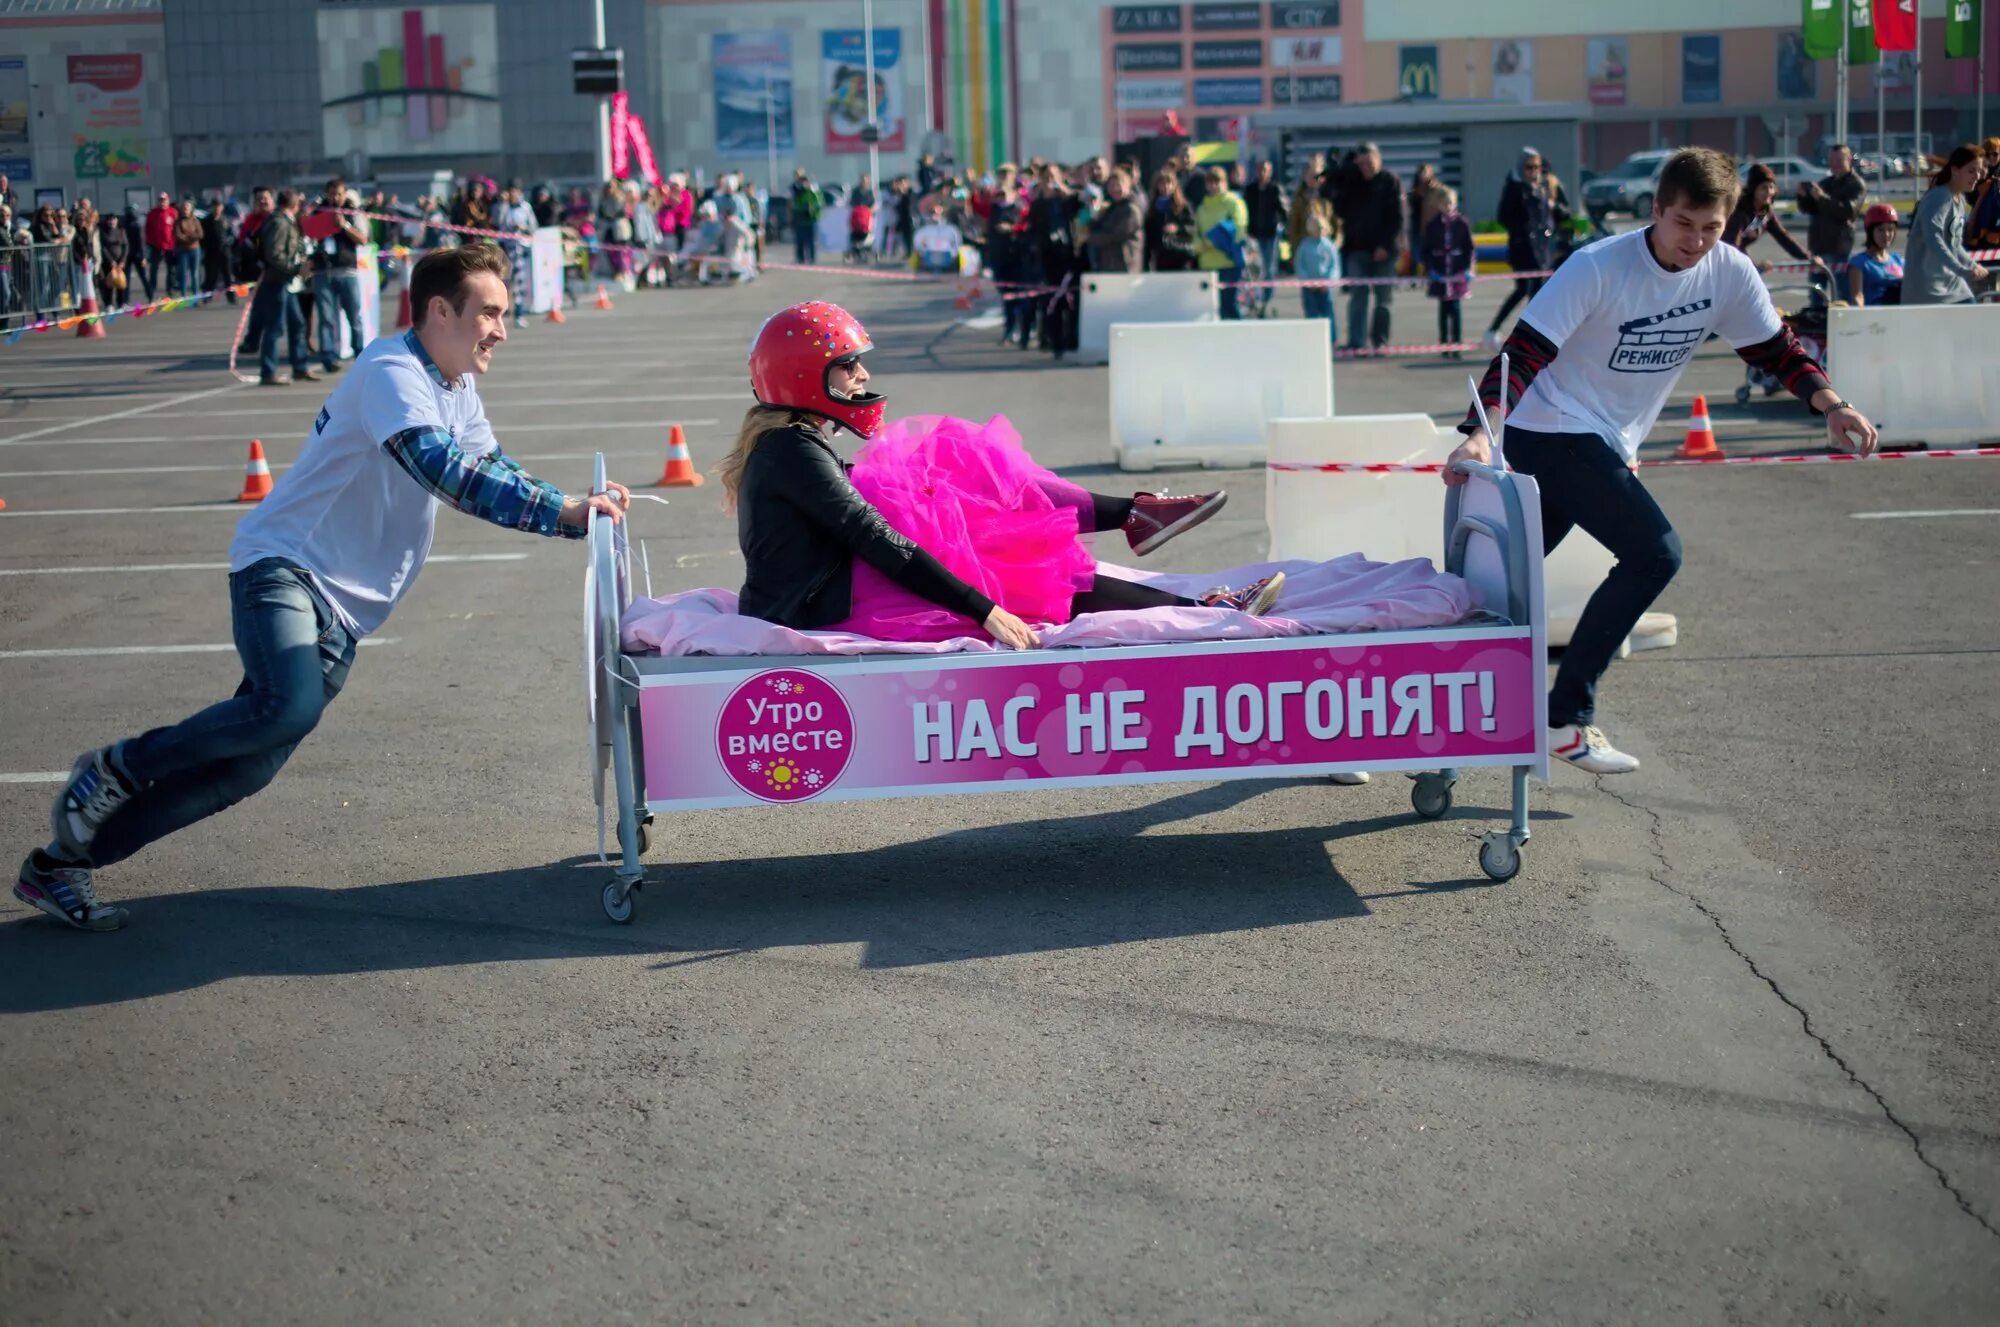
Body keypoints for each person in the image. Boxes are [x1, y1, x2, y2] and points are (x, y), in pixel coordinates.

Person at [18, 243, 633, 932]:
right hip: (285, 567)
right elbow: (446, 474)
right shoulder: (392, 372)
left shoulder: (456, 385)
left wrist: (576, 510)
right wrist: (564, 514)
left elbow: (492, 464)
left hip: (346, 608)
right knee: (287, 707)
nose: (501, 329)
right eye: (490, 312)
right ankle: (117, 765)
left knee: (241, 772)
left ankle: (60, 862)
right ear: (438, 309)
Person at [1443, 148, 1878, 774]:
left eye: (1711, 228)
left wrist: (1831, 404)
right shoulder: (1597, 266)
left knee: (1495, 583)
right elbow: (1523, 354)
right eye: (1683, 224)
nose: (1696, 242)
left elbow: (1777, 349)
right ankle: (1566, 718)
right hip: (1550, 427)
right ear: (1655, 211)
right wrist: (1482, 434)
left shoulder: (1727, 272)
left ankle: (1429, 698)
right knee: (1655, 553)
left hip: (1604, 440)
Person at [723, 300, 1271, 651]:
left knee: (955, 466)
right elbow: (874, 538)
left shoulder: (789, 444)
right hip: (819, 605)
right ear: (804, 376)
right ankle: (1186, 588)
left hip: (829, 585)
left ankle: (1138, 515)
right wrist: (981, 608)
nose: (862, 374)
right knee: (1012, 567)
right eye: (848, 365)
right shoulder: (791, 450)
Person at [1484, 148, 1571, 350]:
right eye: (1529, 167)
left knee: (1539, 292)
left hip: (1543, 249)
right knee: (1523, 288)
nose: (1534, 171)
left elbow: (1561, 214)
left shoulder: (1544, 188)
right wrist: (1524, 228)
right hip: (1522, 248)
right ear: (1521, 168)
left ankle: (1530, 337)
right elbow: (1503, 217)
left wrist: (1551, 208)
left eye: (1537, 167)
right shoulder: (1515, 188)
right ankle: (1495, 329)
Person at [1327, 144, 1403, 351]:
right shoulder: (1353, 181)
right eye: (1361, 164)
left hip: (1384, 251)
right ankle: (1356, 341)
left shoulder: (1390, 181)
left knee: (1383, 300)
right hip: (1357, 249)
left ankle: (1379, 341)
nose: (1366, 168)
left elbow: (1398, 219)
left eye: (1369, 162)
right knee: (1357, 297)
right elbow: (1333, 194)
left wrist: (1385, 246)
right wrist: (1346, 166)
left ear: (1378, 159)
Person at [1903, 144, 1990, 306]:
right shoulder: (1939, 197)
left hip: (1952, 284)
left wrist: (1972, 265)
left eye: (1979, 171)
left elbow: (1955, 246)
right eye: (1971, 171)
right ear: (1955, 170)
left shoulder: (1960, 200)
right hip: (1926, 288)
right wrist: (1961, 269)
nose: (1977, 176)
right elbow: (1933, 239)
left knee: (1974, 320)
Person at [253, 190, 317, 387]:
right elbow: (275, 254)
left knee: (297, 324)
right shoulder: (279, 222)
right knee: (275, 328)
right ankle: (268, 372)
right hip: (277, 282)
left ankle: (299, 367)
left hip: (286, 283)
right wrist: (296, 269)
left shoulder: (285, 220)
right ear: (294, 204)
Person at [312, 178, 368, 371]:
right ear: (327, 194)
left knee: (354, 315)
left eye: (339, 194)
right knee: (327, 317)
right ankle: (328, 355)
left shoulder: (353, 212)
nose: (335, 198)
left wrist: (344, 225)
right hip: (323, 271)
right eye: (332, 194)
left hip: (347, 271)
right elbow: (309, 236)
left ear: (345, 194)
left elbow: (363, 239)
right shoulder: (318, 212)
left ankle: (359, 352)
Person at [1724, 163, 1815, 274]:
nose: (1768, 192)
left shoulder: (1764, 212)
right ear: (1753, 189)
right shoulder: (1740, 211)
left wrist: (1808, 258)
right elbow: (1731, 245)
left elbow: (1783, 237)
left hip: (1735, 259)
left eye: (1771, 187)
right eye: (1763, 188)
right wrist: (1753, 266)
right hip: (1722, 259)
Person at [1797, 144, 1868, 269]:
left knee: (1840, 287)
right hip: (1818, 248)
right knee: (1816, 288)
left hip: (1839, 247)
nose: (1834, 164)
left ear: (1849, 159)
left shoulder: (1856, 184)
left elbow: (1848, 211)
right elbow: (1808, 209)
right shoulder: (1826, 182)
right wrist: (1803, 196)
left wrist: (1821, 197)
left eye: (1839, 160)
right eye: (1831, 161)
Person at [1423, 188, 1474, 358]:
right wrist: (1430, 269)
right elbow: (1426, 250)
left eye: (1450, 202)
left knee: (1456, 307)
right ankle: (1444, 343)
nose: (1448, 206)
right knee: (1443, 308)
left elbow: (1469, 248)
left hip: (1457, 271)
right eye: (1444, 203)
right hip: (1440, 270)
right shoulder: (1432, 225)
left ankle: (1457, 343)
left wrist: (1468, 268)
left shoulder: (1462, 223)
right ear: (1438, 204)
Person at [1193, 165, 1249, 320]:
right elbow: (1196, 233)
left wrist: (1213, 242)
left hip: (1229, 264)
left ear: (1225, 183)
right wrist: (1199, 246)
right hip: (1208, 265)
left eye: (1217, 181)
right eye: (1210, 182)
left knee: (1230, 306)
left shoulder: (1234, 202)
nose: (1213, 185)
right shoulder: (1202, 208)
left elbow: (1239, 228)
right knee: (1212, 309)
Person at [1243, 158, 1287, 316]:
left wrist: (1280, 225)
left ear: (1270, 171)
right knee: (1254, 268)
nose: (1262, 173)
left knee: (1269, 268)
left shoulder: (1275, 189)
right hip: (1254, 235)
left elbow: (1283, 210)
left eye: (1265, 170)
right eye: (1260, 169)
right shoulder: (1250, 189)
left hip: (1270, 235)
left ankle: (1267, 300)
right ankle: (1255, 299)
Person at [1085, 166, 1145, 274]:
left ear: (1128, 186)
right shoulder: (1112, 207)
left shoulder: (1131, 209)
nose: (1114, 189)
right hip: (1110, 266)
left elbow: (1116, 235)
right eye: (1111, 186)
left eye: (1118, 185)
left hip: (1126, 266)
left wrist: (1090, 237)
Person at [1293, 210, 1339, 348]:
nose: (1318, 231)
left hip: (1326, 289)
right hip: (1310, 288)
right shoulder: (1304, 246)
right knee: (1311, 314)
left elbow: (1334, 266)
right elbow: (1300, 266)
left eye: (1320, 228)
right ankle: (1312, 341)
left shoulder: (1329, 246)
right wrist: (1308, 282)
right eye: (1315, 228)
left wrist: (1328, 282)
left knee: (1328, 314)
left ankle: (1331, 341)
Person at [1844, 203, 1904, 306]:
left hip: (1899, 315)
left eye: (1890, 229)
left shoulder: (1899, 261)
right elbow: (1858, 296)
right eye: (1881, 230)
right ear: (1870, 232)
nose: (1886, 235)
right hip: (1873, 318)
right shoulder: (1859, 263)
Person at [1142, 168, 1196, 273]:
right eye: (1162, 184)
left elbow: (1193, 228)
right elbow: (1149, 238)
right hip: (1161, 259)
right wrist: (1146, 263)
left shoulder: (1184, 206)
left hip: (1182, 256)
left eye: (1169, 183)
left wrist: (1178, 228)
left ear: (1175, 185)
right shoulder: (1153, 208)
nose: (1166, 187)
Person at [144, 190, 176, 297]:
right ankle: (152, 291)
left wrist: (175, 242)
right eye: (161, 200)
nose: (162, 202)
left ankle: (170, 290)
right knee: (154, 269)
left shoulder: (173, 212)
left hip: (170, 246)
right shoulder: (152, 213)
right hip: (156, 246)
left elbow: (176, 228)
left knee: (171, 269)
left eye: (164, 200)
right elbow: (148, 229)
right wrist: (149, 242)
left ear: (168, 200)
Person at [789, 168, 822, 265]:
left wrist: (812, 207)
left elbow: (819, 202)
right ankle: (800, 258)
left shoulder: (813, 190)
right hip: (800, 219)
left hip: (811, 219)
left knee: (811, 241)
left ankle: (811, 258)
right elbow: (793, 204)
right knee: (800, 241)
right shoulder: (796, 190)